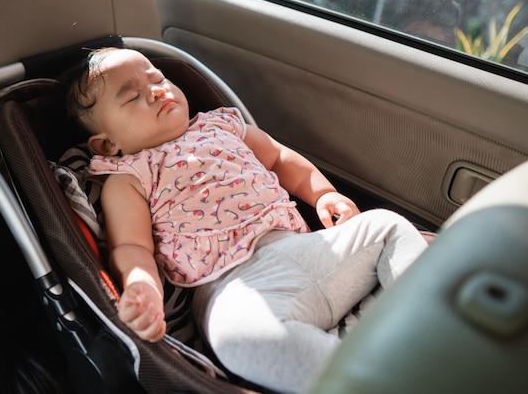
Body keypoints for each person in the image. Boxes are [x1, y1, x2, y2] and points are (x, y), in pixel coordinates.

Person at [65, 45, 428, 394]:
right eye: (132, 96)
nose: (157, 91)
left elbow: (280, 159)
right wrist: (142, 287)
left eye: (157, 78)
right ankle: (367, 378)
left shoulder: (221, 125)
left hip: (303, 250)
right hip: (231, 287)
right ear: (106, 146)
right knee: (239, 338)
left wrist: (323, 194)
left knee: (387, 225)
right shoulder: (129, 177)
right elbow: (132, 246)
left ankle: (428, 322)